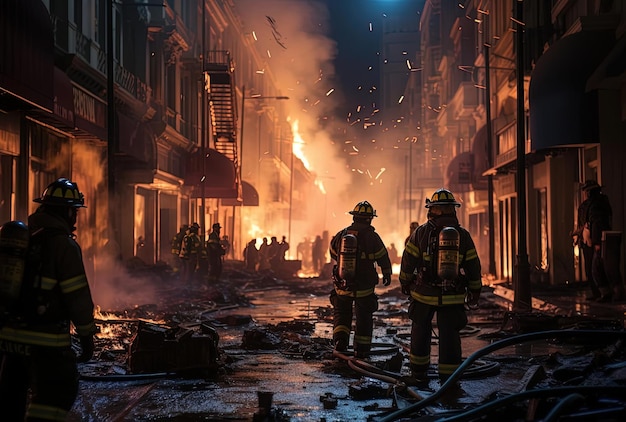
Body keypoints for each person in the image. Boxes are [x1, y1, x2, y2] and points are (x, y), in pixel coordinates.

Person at [0, 178, 98, 420]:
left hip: (8, 340)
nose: (75, 217)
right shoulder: (63, 245)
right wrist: (86, 337)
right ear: (66, 211)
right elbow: (78, 295)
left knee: (11, 398)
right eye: (74, 211)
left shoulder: (23, 238)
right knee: (57, 394)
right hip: (46, 341)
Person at [399, 188, 482, 383]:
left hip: (423, 294)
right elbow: (473, 266)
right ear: (453, 210)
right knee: (450, 335)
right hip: (452, 295)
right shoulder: (462, 235)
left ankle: (419, 373)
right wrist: (475, 290)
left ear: (432, 210)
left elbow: (408, 261)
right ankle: (449, 376)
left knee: (420, 331)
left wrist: (405, 282)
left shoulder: (420, 233)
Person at [329, 200, 392, 359]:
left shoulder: (342, 234)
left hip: (343, 283)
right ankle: (361, 350)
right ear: (370, 218)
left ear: (354, 217)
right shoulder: (372, 237)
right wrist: (386, 273)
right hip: (364, 285)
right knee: (364, 316)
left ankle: (340, 342)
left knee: (342, 313)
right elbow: (382, 256)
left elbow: (332, 252)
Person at [579, 180, 623, 302]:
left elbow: (597, 223)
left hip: (600, 240)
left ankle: (609, 293)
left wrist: (596, 242)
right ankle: (605, 293)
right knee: (597, 268)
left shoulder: (597, 205)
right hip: (597, 239)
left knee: (599, 268)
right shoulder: (597, 203)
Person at [573, 183, 599, 300]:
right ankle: (596, 292)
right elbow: (581, 224)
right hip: (587, 241)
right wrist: (578, 235)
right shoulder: (584, 206)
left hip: (594, 241)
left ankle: (600, 292)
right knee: (589, 268)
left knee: (595, 268)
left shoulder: (597, 205)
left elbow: (596, 224)